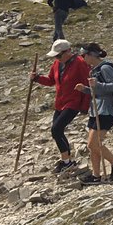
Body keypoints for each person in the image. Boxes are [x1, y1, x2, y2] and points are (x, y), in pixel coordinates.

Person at [33, 39, 91, 173]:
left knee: (56, 129)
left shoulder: (80, 63)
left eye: (59, 55)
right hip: (60, 103)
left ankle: (67, 162)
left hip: (73, 102)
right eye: (55, 56)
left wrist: (85, 106)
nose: (57, 58)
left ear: (68, 52)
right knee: (57, 131)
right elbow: (51, 81)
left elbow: (87, 85)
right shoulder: (57, 64)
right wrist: (37, 78)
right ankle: (67, 161)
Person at [74, 43, 113, 184]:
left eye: (84, 55)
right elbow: (96, 91)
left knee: (92, 144)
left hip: (106, 110)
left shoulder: (105, 68)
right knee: (93, 145)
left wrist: (97, 85)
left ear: (91, 55)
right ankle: (96, 175)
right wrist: (85, 89)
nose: (83, 58)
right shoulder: (95, 70)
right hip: (96, 109)